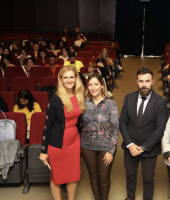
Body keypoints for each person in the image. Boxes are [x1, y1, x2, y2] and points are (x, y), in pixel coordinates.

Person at [119, 67, 168, 200]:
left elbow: (160, 128)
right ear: (137, 81)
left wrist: (143, 147)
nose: (144, 84)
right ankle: (130, 198)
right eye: (141, 81)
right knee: (130, 176)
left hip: (149, 148)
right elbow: (122, 122)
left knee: (148, 178)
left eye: (147, 81)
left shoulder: (160, 102)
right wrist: (130, 144)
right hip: (130, 147)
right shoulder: (129, 98)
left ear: (153, 81)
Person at [39, 65, 86, 200]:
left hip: (74, 143)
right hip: (57, 144)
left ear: (76, 78)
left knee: (73, 176)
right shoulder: (55, 100)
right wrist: (43, 150)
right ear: (60, 79)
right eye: (65, 77)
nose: (69, 80)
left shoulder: (79, 96)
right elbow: (47, 126)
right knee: (56, 176)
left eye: (72, 77)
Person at [80, 73, 119, 200]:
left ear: (102, 86)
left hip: (105, 147)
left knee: (103, 178)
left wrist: (111, 151)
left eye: (96, 84)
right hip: (87, 146)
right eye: (90, 84)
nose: (93, 87)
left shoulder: (111, 104)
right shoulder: (83, 103)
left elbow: (115, 129)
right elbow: (79, 124)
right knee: (93, 175)